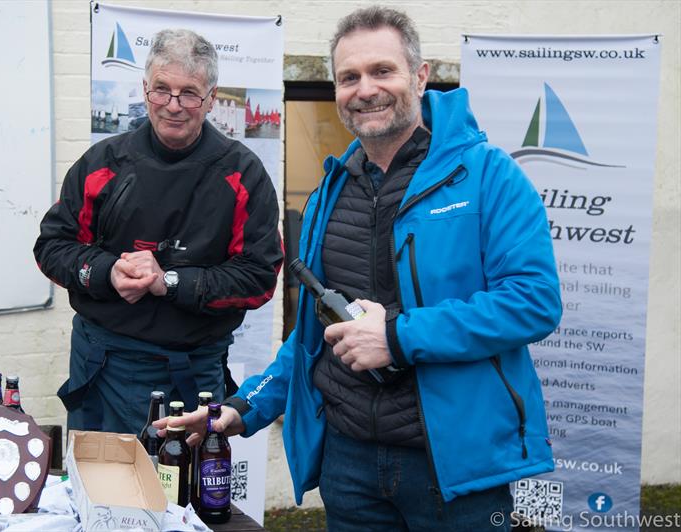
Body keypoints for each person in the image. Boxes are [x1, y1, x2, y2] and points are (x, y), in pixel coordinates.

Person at [161, 6, 563, 531]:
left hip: (457, 467)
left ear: (420, 77)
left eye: (382, 71)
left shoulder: (489, 176)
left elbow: (534, 301)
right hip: (349, 464)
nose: (365, 89)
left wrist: (397, 336)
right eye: (349, 77)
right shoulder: (335, 188)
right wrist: (242, 408)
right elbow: (315, 333)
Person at [34, 29, 283, 434]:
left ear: (211, 97)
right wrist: (107, 272)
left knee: (184, 494)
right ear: (145, 88)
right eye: (161, 90)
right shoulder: (102, 163)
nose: (173, 105)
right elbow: (52, 248)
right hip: (104, 365)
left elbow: (258, 279)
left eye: (189, 93)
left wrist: (169, 281)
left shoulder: (243, 175)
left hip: (195, 372)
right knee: (101, 492)